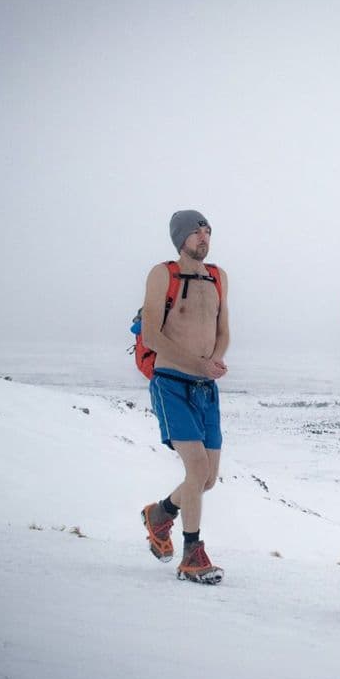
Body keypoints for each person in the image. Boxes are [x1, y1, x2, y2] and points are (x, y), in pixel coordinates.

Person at [139, 210, 230, 585]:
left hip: (206, 388)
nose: (204, 236)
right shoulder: (163, 274)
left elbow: (223, 330)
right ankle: (192, 554)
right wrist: (197, 363)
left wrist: (216, 360)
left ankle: (160, 514)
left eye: (207, 230)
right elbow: (152, 336)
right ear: (181, 238)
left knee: (207, 479)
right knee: (196, 470)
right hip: (172, 382)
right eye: (196, 231)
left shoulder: (218, 277)